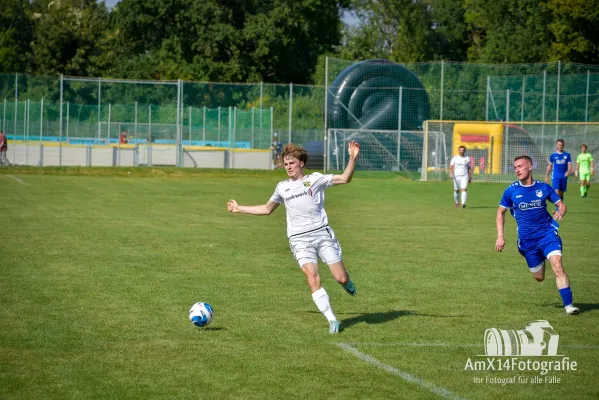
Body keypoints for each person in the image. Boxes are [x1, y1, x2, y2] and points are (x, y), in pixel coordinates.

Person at [227, 141, 360, 334]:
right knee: (312, 278)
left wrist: (353, 158)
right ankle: (332, 320)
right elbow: (266, 209)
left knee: (340, 278)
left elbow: (345, 178)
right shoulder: (282, 187)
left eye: (292, 163)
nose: (288, 167)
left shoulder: (315, 179)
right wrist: (240, 208)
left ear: (301, 163)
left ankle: (346, 282)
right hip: (299, 239)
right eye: (286, 163)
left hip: (322, 234)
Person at [495, 155, 579, 315]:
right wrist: (500, 235)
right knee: (539, 277)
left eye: (520, 166)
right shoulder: (511, 191)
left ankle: (569, 306)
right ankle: (541, 257)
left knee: (558, 265)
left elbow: (561, 205)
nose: (517, 170)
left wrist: (561, 211)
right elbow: (500, 212)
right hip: (527, 241)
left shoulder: (544, 188)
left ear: (530, 166)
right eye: (515, 167)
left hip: (547, 234)